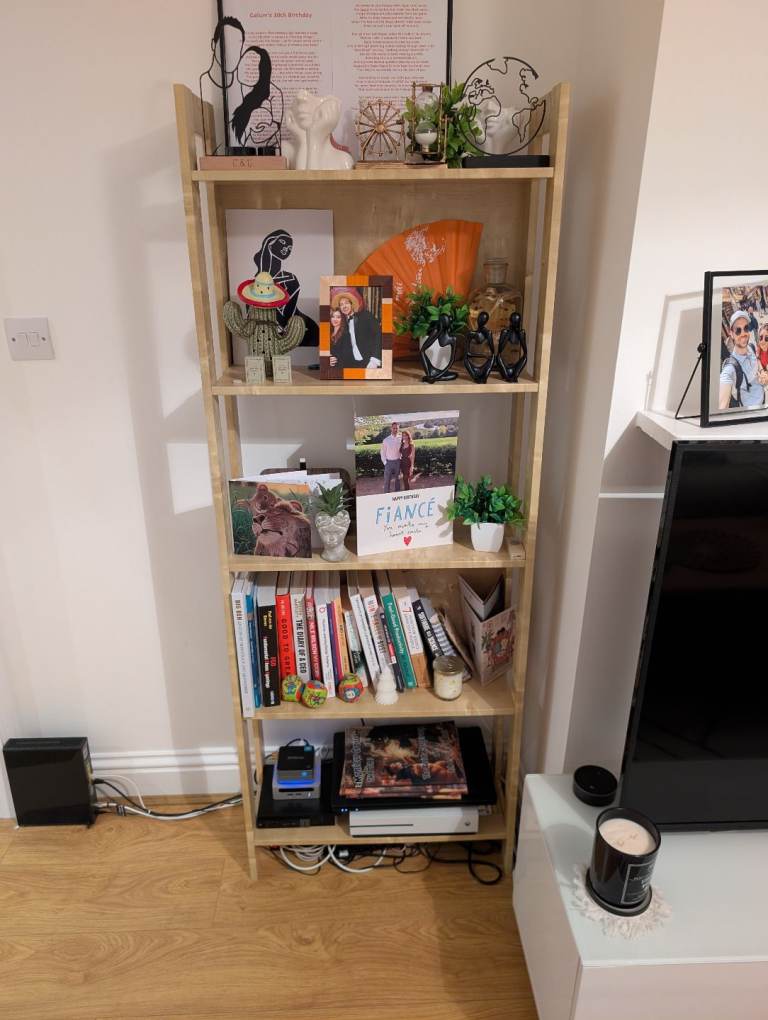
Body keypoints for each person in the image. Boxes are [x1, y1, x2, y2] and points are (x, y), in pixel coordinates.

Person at [719, 310, 768, 410]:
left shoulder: (751, 347)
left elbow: (756, 359)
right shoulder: (730, 368)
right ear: (731, 333)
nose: (743, 333)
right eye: (738, 330)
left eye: (746, 328)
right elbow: (722, 405)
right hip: (751, 411)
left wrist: (762, 371)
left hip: (764, 399)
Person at [332, 291, 382, 369]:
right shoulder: (342, 323)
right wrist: (330, 357)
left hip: (370, 361)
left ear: (352, 304)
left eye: (346, 303)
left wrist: (375, 359)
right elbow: (337, 345)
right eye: (341, 305)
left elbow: (379, 334)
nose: (344, 306)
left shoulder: (365, 315)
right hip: (352, 364)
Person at [380, 422, 402, 492]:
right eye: (394, 428)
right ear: (391, 428)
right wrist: (385, 463)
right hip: (388, 462)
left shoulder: (401, 438)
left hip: (398, 461)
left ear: (398, 429)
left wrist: (401, 459)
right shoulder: (386, 440)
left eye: (397, 428)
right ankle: (386, 493)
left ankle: (397, 493)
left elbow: (402, 450)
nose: (395, 429)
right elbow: (382, 452)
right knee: (387, 480)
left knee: (398, 479)